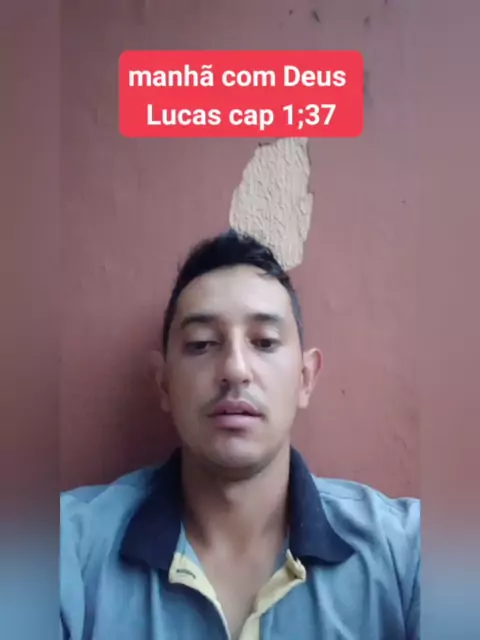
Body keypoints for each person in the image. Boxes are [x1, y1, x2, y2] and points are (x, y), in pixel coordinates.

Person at [60, 230, 420, 640]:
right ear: (164, 384)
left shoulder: (405, 552)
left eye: (264, 342)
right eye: (202, 344)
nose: (234, 369)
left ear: (305, 379)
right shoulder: (67, 548)